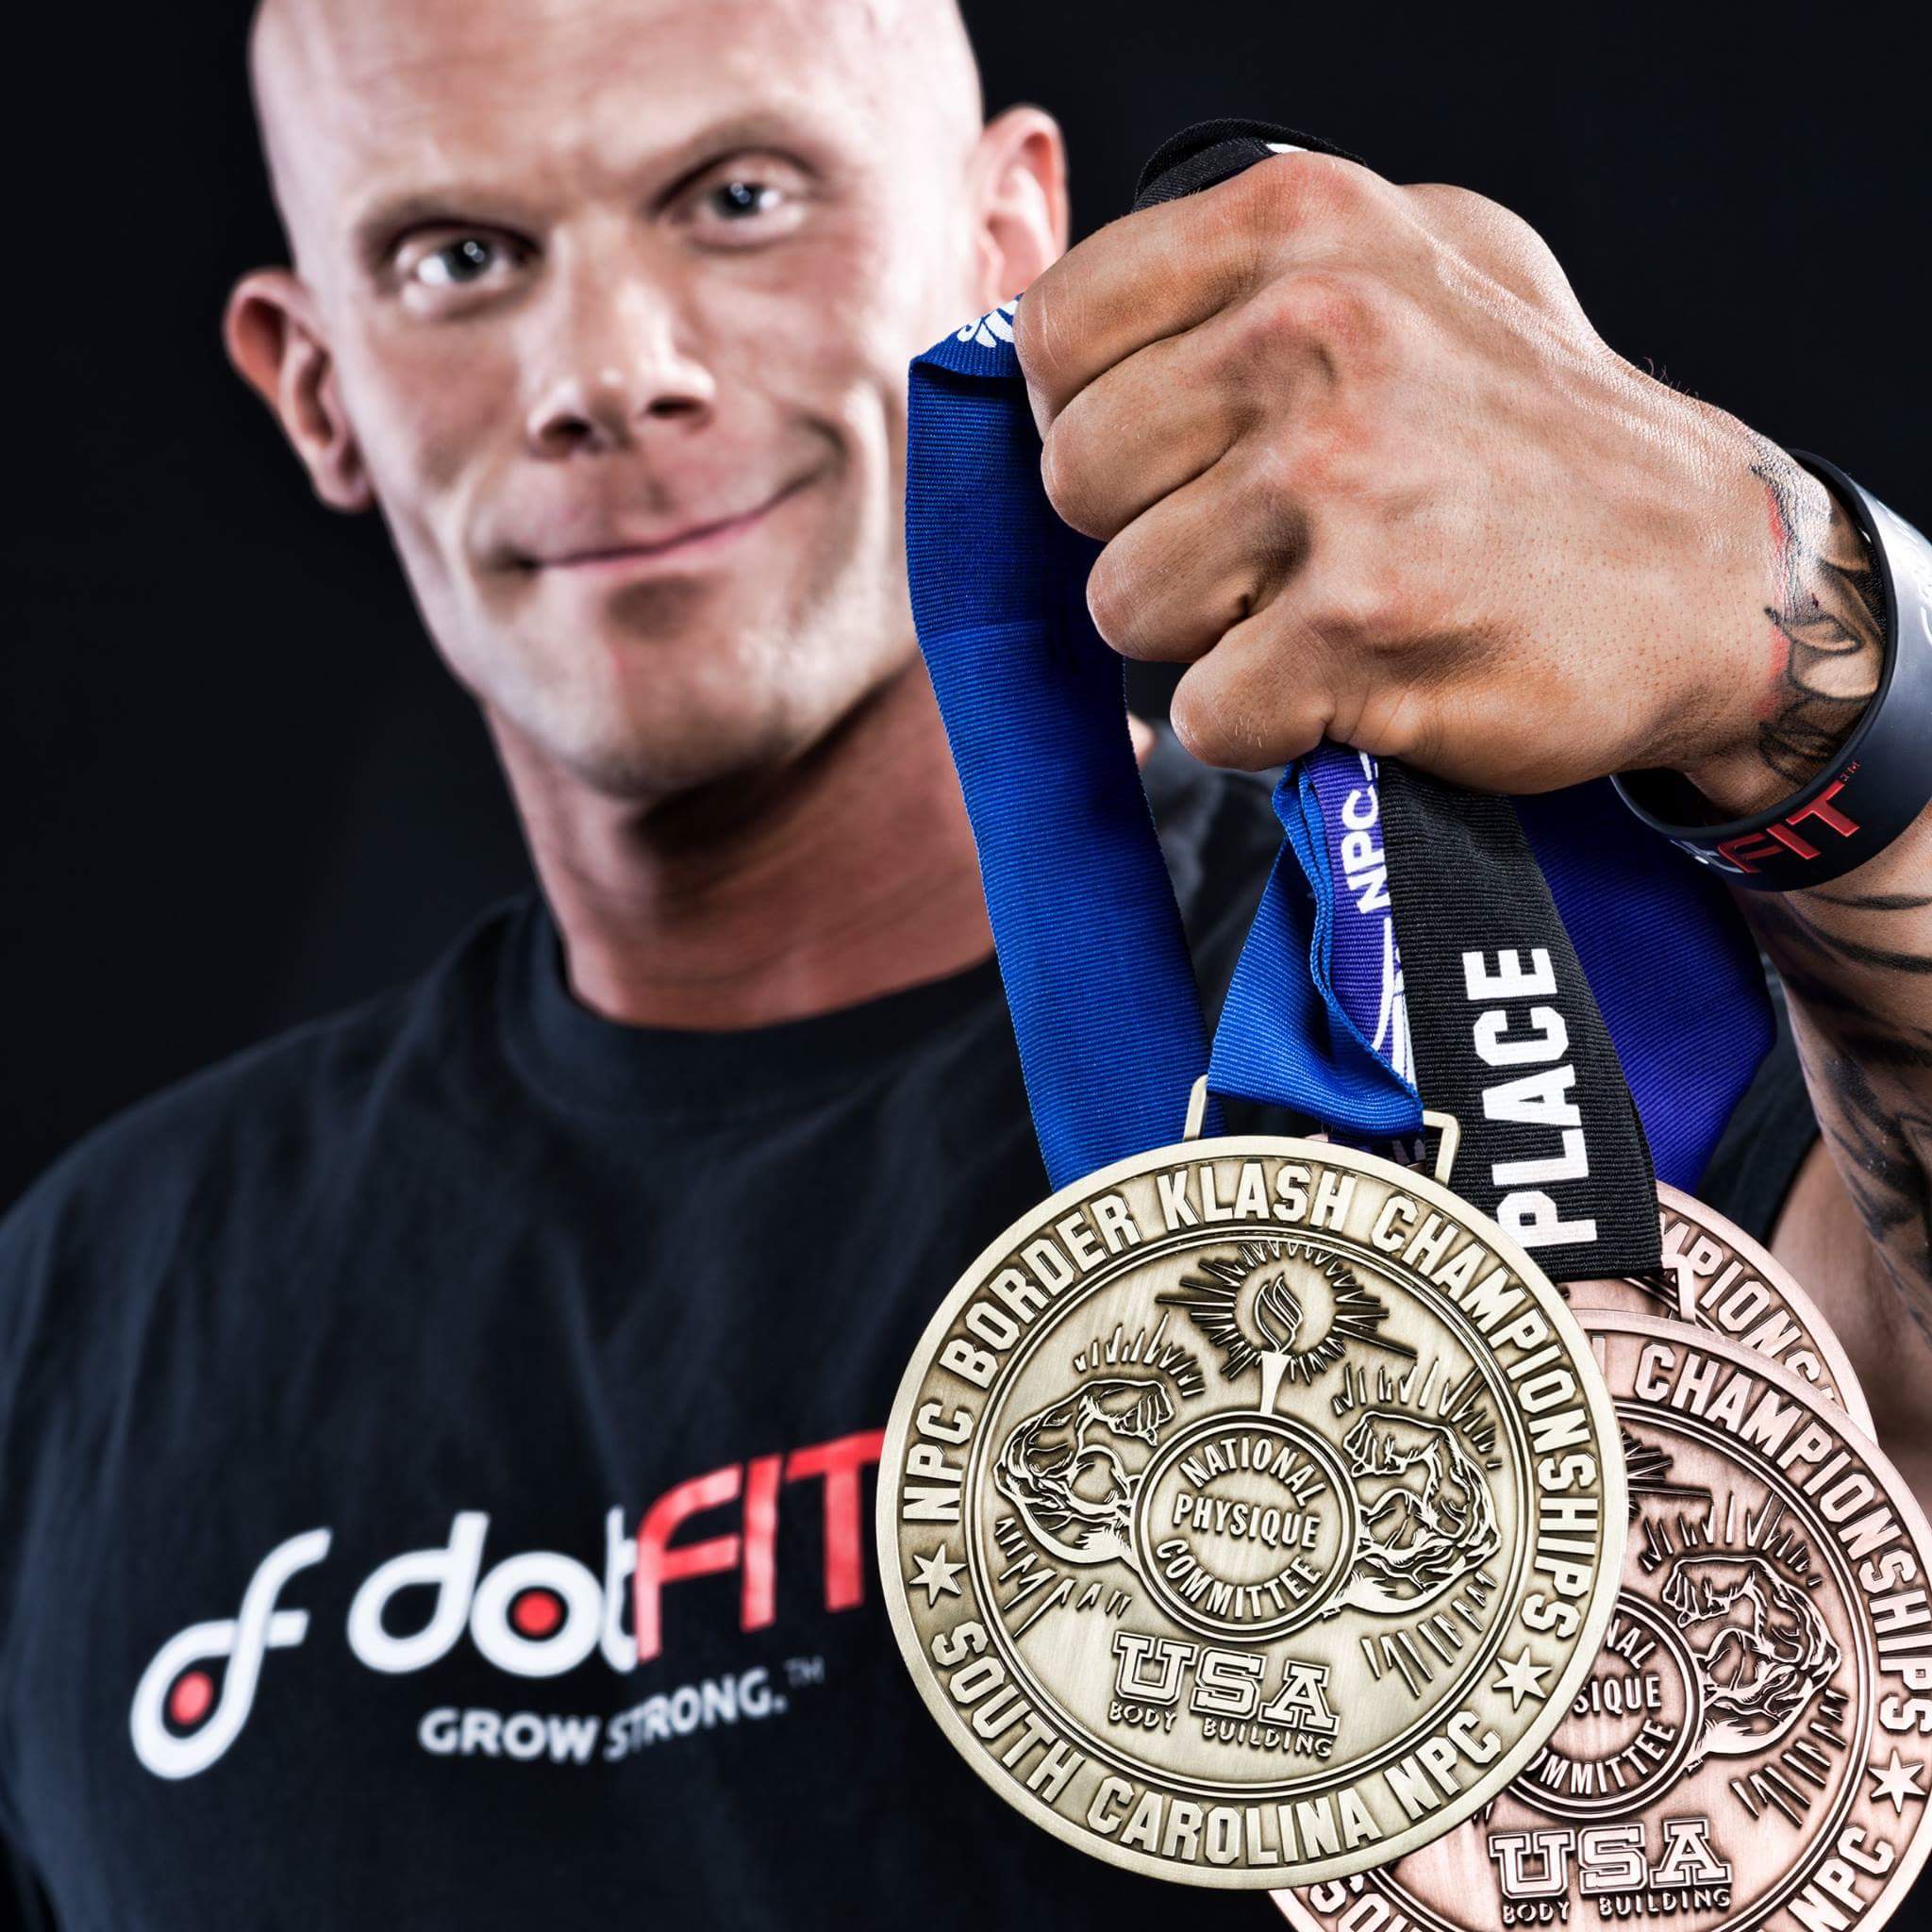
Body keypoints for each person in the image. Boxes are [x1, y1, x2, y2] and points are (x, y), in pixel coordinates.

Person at [1, 0, 1926, 1924]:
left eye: (740, 198)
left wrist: (1812, 646)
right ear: (315, 384)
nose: (610, 368)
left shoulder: (1523, 993)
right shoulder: (83, 1305)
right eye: (458, 258)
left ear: (1005, 236)